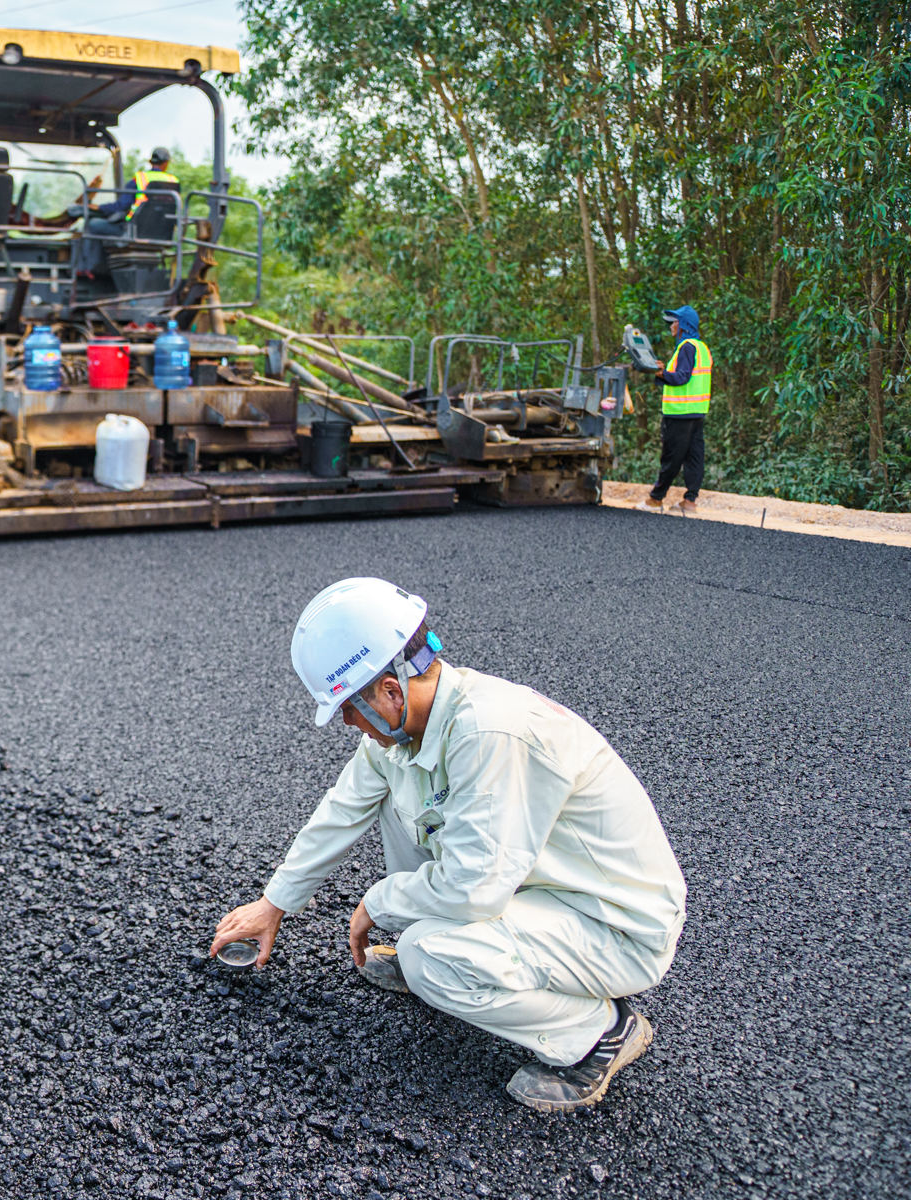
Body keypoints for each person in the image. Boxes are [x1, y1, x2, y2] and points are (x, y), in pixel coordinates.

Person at [210, 578, 687, 1112]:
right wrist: (273, 905)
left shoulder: (490, 734)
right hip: (538, 889)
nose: (345, 721)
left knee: (425, 955)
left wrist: (378, 903)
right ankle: (461, 956)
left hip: (610, 924)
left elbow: (472, 888)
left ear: (390, 691)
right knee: (394, 799)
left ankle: (598, 1032)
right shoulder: (408, 733)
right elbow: (341, 811)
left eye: (348, 706)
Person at [641, 305, 712, 514]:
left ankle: (655, 499)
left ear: (684, 326)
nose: (671, 326)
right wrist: (664, 372)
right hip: (697, 411)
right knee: (694, 457)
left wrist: (662, 374)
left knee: (671, 457)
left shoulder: (686, 347)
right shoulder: (701, 347)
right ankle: (689, 502)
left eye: (674, 322)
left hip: (680, 412)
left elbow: (682, 377)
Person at [71, 148, 181, 279]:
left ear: (151, 162)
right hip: (161, 234)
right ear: (166, 163)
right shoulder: (173, 182)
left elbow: (121, 206)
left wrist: (99, 207)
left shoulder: (139, 179)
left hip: (133, 232)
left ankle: (85, 268)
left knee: (93, 224)